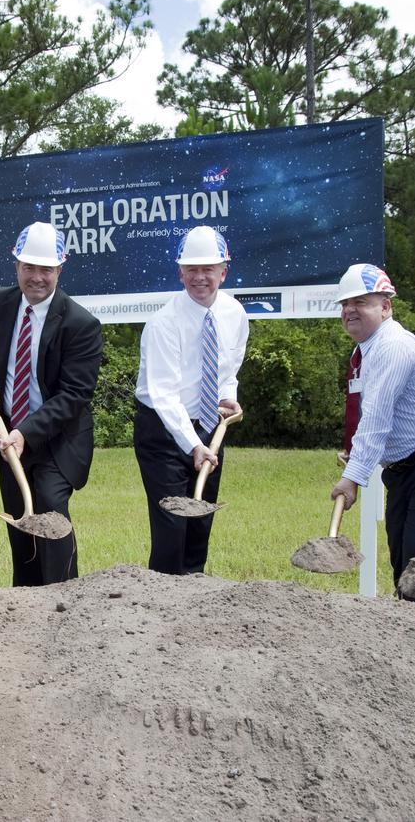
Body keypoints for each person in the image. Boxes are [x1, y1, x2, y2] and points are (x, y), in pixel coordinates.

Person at [0, 221, 103, 586]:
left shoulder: (81, 324)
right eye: (29, 267)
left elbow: (75, 395)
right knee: (18, 521)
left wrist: (26, 431)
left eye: (46, 269)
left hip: (59, 440)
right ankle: (24, 602)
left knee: (50, 508)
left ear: (61, 267)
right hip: (10, 434)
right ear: (17, 266)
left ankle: (63, 599)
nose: (37, 277)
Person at [329, 263, 415, 607]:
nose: (349, 310)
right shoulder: (366, 351)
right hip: (404, 471)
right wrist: (356, 453)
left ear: (386, 306)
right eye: (345, 304)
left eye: (361, 302)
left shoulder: (392, 347)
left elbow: (376, 419)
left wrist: (353, 478)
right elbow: (367, 416)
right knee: (403, 560)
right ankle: (407, 645)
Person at [135, 226, 248, 575]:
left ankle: (195, 604)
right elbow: (164, 394)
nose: (200, 277)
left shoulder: (235, 314)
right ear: (180, 272)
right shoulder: (163, 324)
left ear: (223, 271)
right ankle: (163, 605)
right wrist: (193, 445)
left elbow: (229, 366)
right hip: (163, 432)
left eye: (208, 269)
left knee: (201, 523)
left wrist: (229, 397)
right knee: (173, 527)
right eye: (192, 270)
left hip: (209, 427)